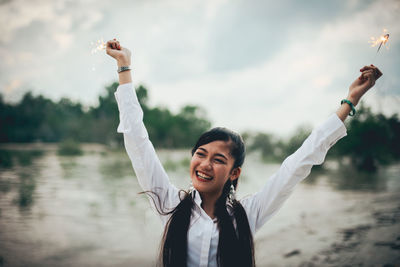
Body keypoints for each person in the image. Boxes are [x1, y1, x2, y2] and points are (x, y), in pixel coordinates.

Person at [106, 39, 382, 267]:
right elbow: (137, 140)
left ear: (235, 173)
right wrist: (124, 67)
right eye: (200, 154)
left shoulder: (248, 214)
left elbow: (300, 162)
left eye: (218, 159)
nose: (204, 164)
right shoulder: (170, 204)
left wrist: (350, 101)